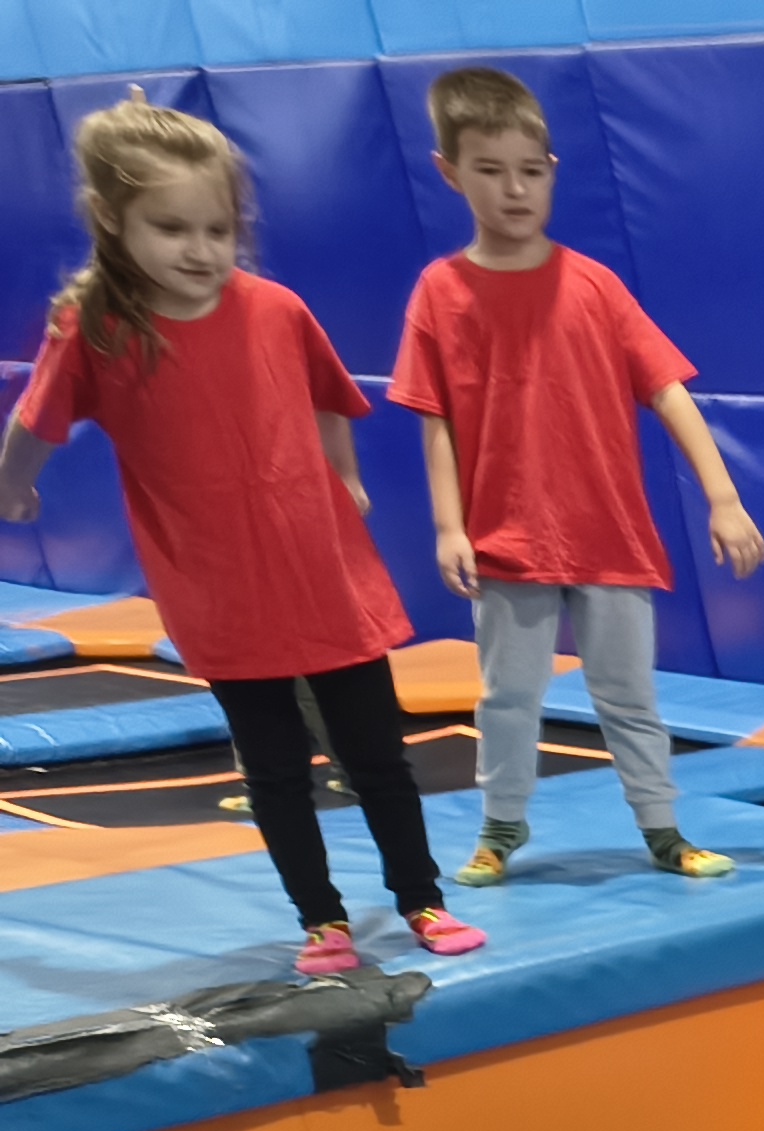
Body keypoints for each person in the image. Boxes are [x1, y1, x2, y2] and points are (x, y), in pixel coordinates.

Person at [0, 97, 481, 978]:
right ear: (111, 219)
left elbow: (328, 397)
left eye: (218, 229)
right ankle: (321, 920)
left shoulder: (274, 308)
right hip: (220, 591)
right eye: (171, 228)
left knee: (377, 755)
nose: (200, 250)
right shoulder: (100, 331)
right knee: (275, 769)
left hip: (323, 575)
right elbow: (36, 421)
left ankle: (421, 897)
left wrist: (345, 479)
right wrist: (13, 483)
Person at [394, 65, 764, 890]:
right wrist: (450, 526)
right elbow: (434, 418)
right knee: (508, 695)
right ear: (449, 173)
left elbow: (668, 390)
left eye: (530, 171)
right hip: (507, 537)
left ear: (552, 171)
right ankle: (500, 825)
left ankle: (663, 829)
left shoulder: (593, 286)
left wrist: (723, 496)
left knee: (628, 694)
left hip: (608, 535)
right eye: (490, 170)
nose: (514, 190)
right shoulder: (441, 293)